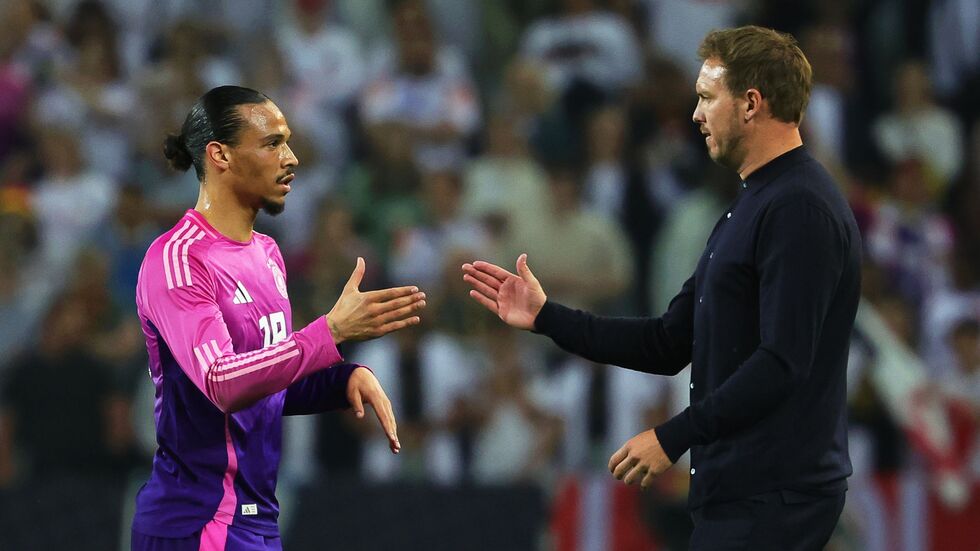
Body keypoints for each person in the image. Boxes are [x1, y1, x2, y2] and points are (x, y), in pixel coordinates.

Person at [463, 26, 861, 550]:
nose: (695, 115)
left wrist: (673, 437)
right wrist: (546, 317)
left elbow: (783, 361)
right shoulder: (753, 205)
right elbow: (668, 341)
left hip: (773, 497)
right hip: (744, 495)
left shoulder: (798, 209)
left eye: (705, 98)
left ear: (750, 104)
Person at [131, 85, 426, 551]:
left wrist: (340, 380)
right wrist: (329, 332)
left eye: (287, 142)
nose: (291, 158)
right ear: (219, 155)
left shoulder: (267, 254)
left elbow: (264, 383)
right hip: (198, 522)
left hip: (254, 519)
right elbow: (222, 382)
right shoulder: (179, 260)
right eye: (272, 144)